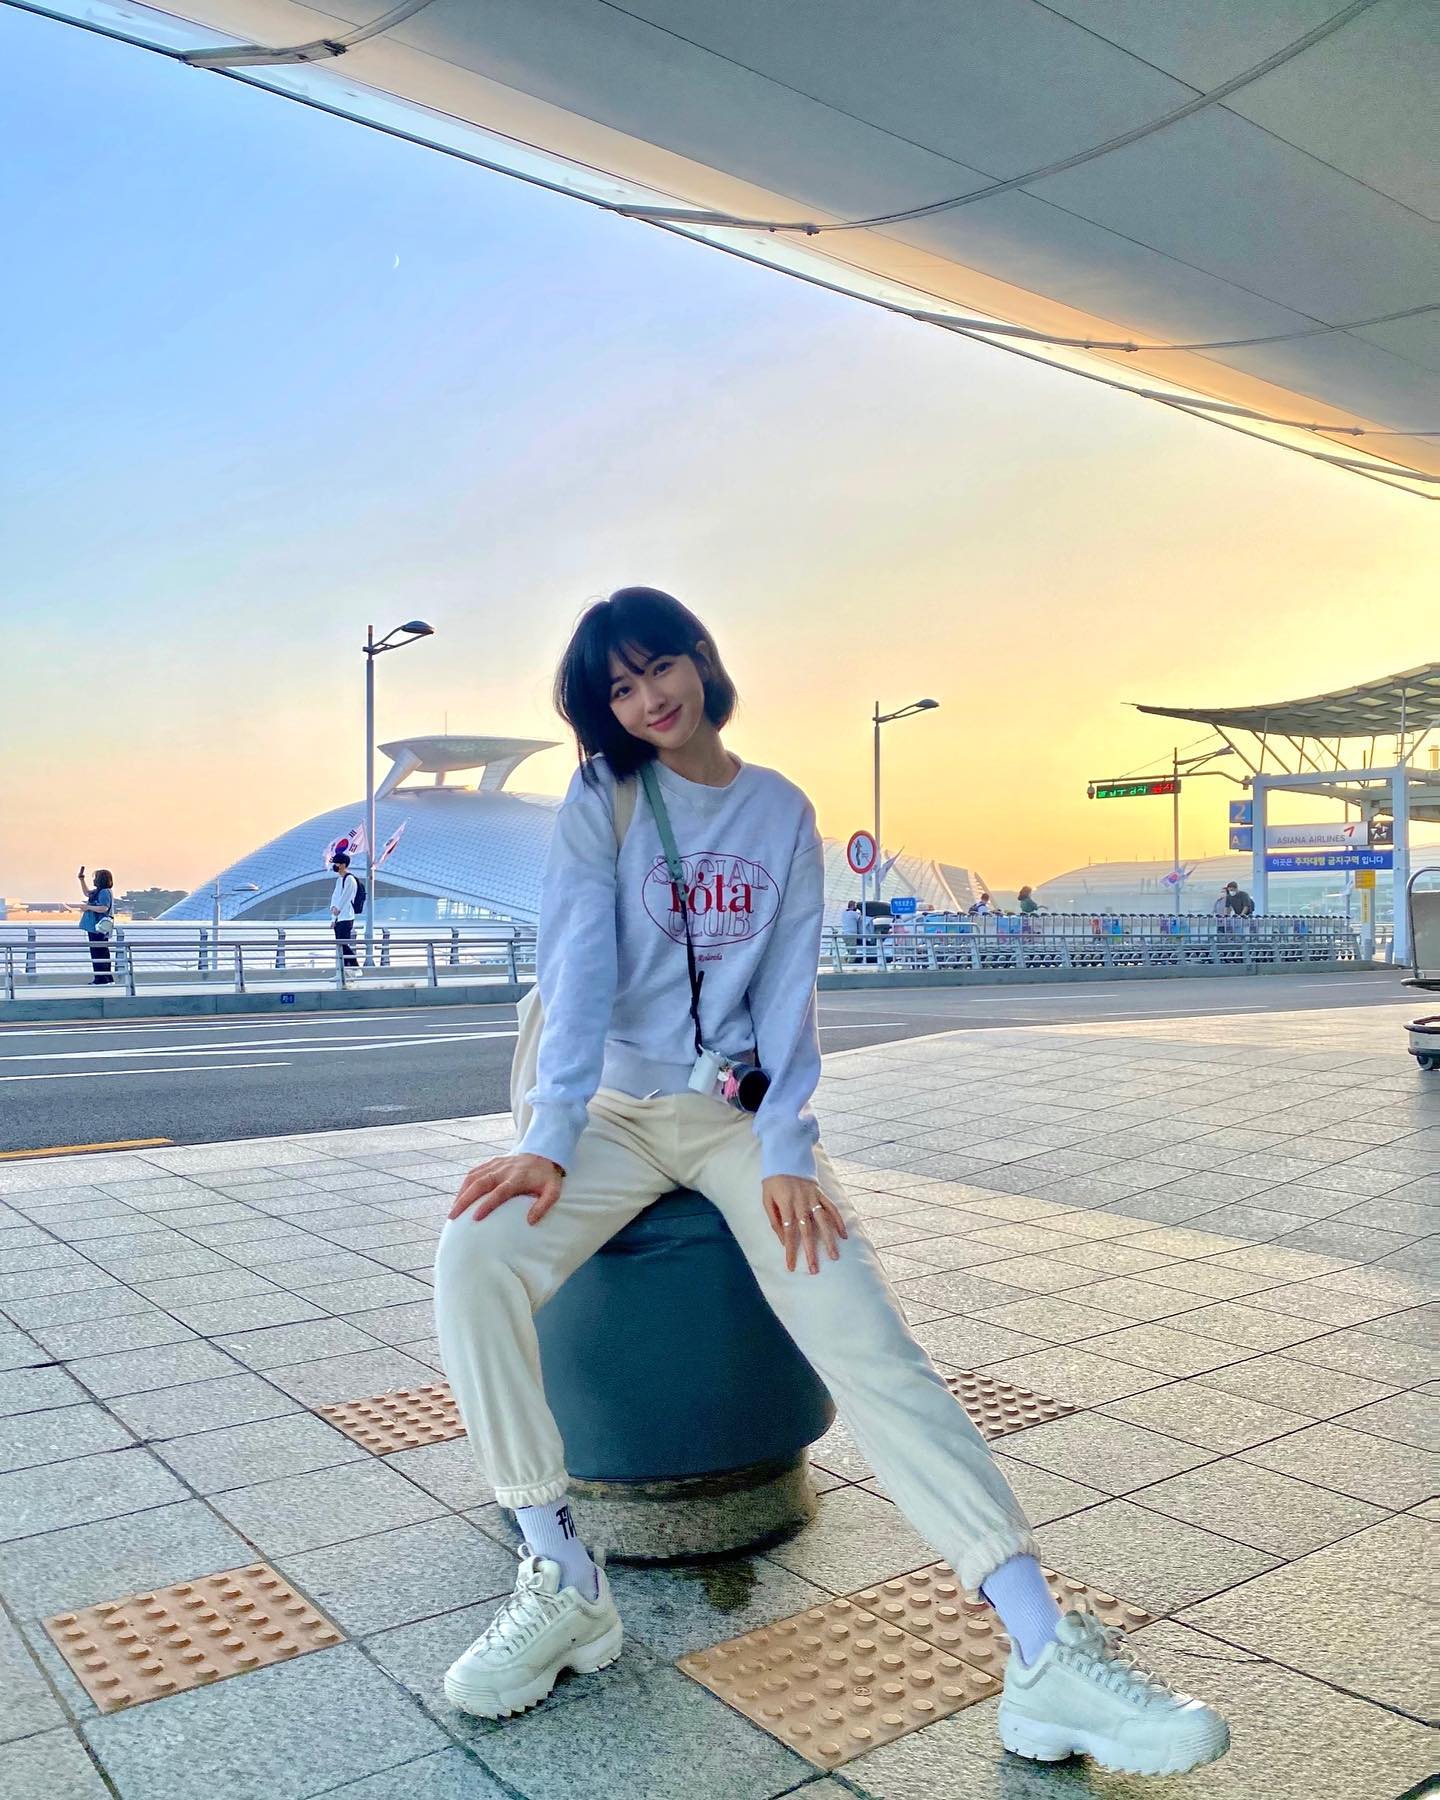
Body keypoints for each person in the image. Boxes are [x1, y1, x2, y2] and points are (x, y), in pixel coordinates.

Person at [433, 588, 1229, 1775]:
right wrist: (548, 1136)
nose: (648, 700)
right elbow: (578, 970)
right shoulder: (604, 799)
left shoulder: (778, 810)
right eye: (619, 688)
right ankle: (562, 1573)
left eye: (660, 668)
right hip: (608, 1115)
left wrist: (787, 1149)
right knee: (474, 1255)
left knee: (867, 1337)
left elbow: (785, 999)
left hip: (731, 1120)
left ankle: (1042, 1651)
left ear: (702, 659)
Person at [76, 865, 116, 984]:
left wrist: (88, 907)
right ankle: (106, 977)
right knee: (101, 951)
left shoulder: (104, 892)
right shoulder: (100, 891)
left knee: (98, 952)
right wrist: (81, 879)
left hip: (99, 927)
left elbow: (104, 908)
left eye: (96, 878)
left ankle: (101, 978)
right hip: (97, 927)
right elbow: (87, 893)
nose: (94, 880)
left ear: (101, 879)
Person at [329, 851, 361, 985]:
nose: (335, 866)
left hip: (346, 917)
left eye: (336, 863)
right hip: (338, 918)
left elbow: (346, 897)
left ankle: (355, 968)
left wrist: (338, 909)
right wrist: (333, 916)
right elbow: (335, 896)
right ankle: (342, 973)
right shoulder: (339, 880)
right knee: (340, 946)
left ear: (343, 865)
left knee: (343, 944)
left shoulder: (350, 879)